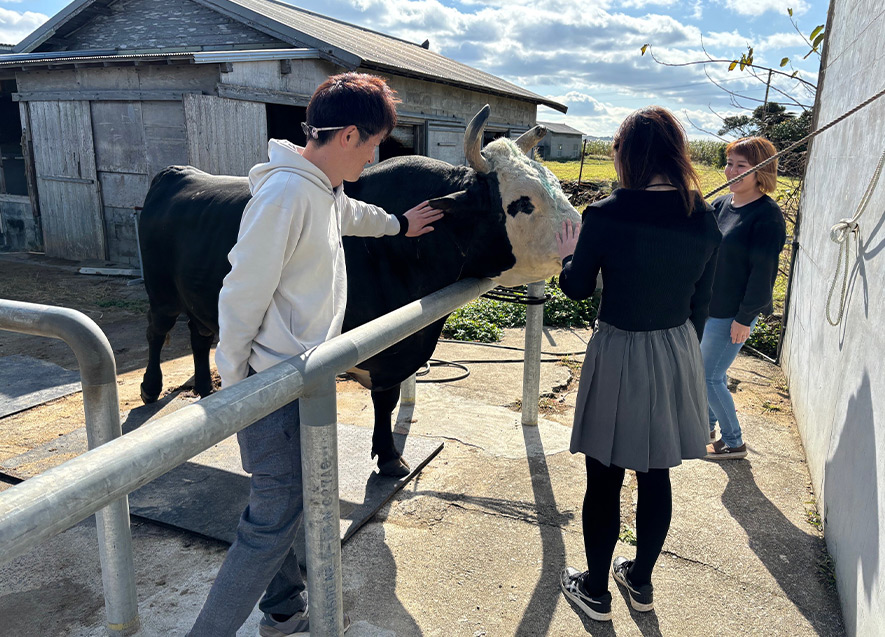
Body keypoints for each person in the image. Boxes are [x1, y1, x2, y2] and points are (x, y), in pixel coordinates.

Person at [187, 72, 443, 637]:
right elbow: (240, 292)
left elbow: (351, 216)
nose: (377, 154)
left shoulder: (321, 189)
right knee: (272, 521)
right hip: (269, 387)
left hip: (298, 380)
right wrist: (235, 383)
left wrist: (401, 224)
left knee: (276, 510)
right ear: (349, 135)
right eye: (375, 143)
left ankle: (283, 609)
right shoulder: (285, 195)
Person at [556, 106, 721, 621]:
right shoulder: (704, 217)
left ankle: (596, 591)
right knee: (656, 472)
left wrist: (569, 255)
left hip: (620, 349)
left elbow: (578, 288)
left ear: (627, 153)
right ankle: (641, 583)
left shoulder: (605, 214)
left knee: (603, 476)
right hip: (676, 348)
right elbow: (702, 302)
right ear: (677, 152)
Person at [703, 137, 787, 459]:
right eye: (729, 163)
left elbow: (763, 272)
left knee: (708, 375)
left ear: (760, 171)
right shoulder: (722, 205)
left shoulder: (767, 216)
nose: (732, 171)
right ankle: (707, 427)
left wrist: (744, 318)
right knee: (711, 373)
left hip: (733, 313)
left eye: (742, 166)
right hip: (710, 306)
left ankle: (734, 442)